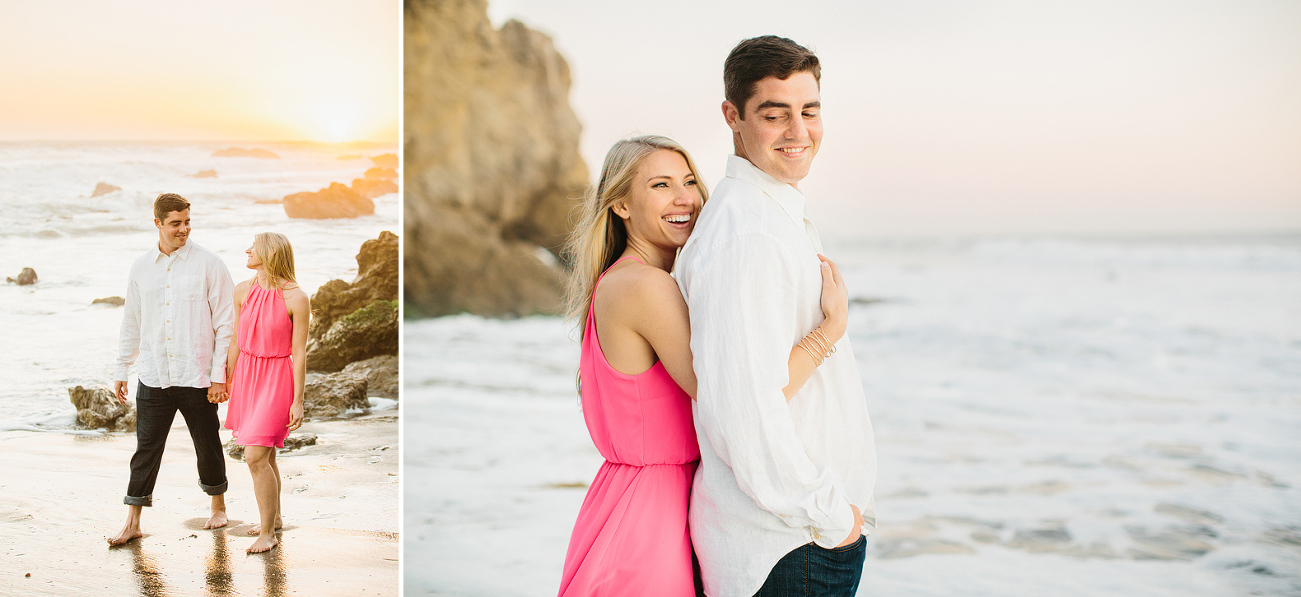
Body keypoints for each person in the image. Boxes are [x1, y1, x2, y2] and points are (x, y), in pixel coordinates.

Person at [556, 135, 850, 596]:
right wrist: (827, 332)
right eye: (660, 184)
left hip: (633, 501)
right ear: (621, 206)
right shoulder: (645, 287)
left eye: (690, 180)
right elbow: (736, 396)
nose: (685, 198)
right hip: (648, 516)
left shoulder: (624, 281)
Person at [675, 36, 878, 597]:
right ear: (732, 117)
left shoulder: (766, 214)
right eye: (775, 114)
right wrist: (831, 517)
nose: (798, 131)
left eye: (809, 111)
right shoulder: (750, 234)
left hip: (794, 539)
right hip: (787, 546)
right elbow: (742, 408)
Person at [109, 193, 235, 546]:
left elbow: (226, 323)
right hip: (153, 373)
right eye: (175, 223)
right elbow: (131, 320)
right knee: (146, 448)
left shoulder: (210, 264)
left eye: (187, 222)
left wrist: (218, 375)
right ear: (158, 223)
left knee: (207, 442)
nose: (183, 229)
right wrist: (123, 366)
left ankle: (218, 506)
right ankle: (133, 520)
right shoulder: (140, 267)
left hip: (196, 374)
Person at [224, 232, 309, 554]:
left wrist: (298, 400)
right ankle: (274, 520)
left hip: (277, 377)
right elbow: (235, 338)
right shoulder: (243, 290)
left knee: (255, 455)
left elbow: (299, 352)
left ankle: (268, 534)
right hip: (247, 374)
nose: (247, 250)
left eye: (254, 247)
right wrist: (227, 380)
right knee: (267, 455)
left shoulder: (296, 298)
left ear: (270, 253)